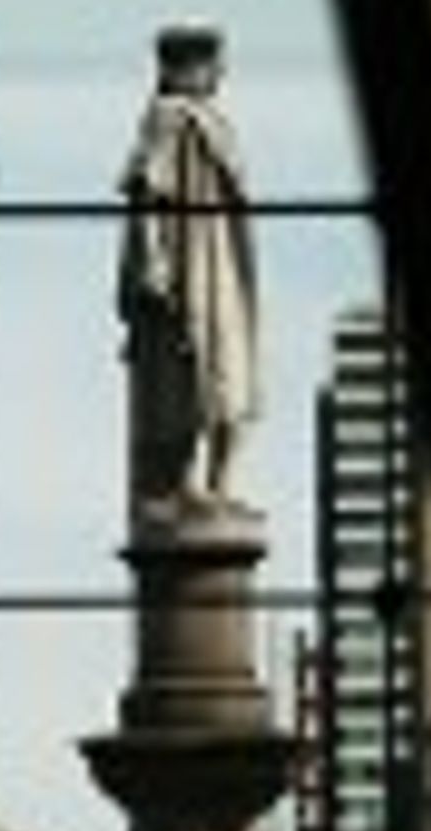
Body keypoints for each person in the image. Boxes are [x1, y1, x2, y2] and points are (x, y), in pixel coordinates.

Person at [118, 23, 260, 514]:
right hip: (189, 263)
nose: (221, 72)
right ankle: (184, 485)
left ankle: (221, 486)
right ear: (189, 66)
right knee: (188, 377)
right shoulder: (166, 117)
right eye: (213, 61)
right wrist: (154, 262)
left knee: (233, 378)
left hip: (223, 265)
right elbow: (146, 195)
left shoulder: (217, 124)